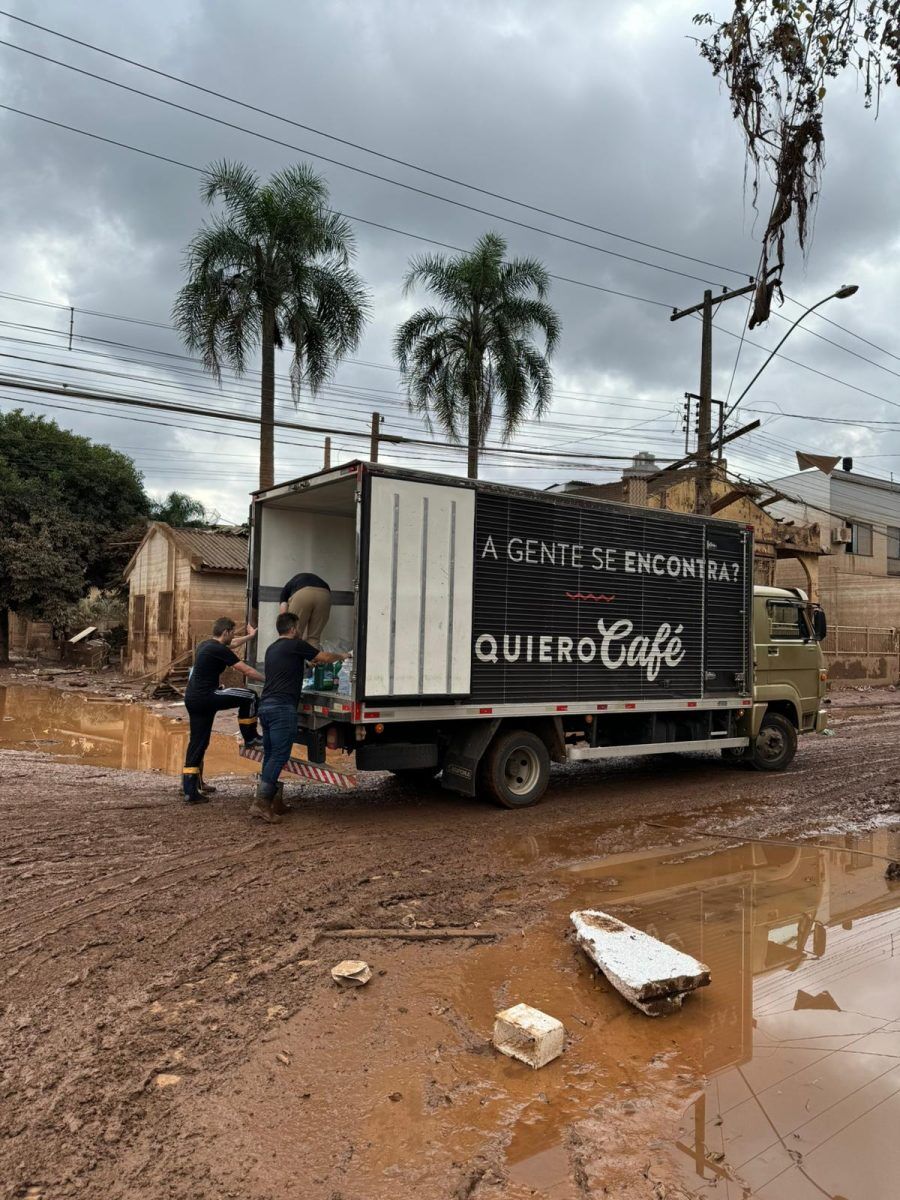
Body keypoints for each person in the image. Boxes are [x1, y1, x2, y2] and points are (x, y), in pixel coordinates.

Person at [250, 611, 346, 824]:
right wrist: (344, 656)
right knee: (279, 756)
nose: (299, 631)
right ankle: (261, 803)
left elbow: (289, 668)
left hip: (265, 707)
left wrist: (308, 665)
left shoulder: (272, 648)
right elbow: (323, 657)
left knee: (270, 754)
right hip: (282, 709)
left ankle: (274, 801)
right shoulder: (296, 644)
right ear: (293, 629)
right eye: (298, 628)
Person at [182, 617, 264, 806]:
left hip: (193, 698)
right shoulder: (218, 649)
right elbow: (247, 671)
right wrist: (269, 681)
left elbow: (233, 644)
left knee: (198, 742)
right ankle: (251, 737)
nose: (234, 636)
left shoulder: (206, 645)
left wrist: (250, 636)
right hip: (207, 696)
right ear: (225, 632)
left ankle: (190, 788)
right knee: (250, 695)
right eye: (233, 632)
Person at [278, 571, 332, 647]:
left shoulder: (286, 590)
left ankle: (291, 658)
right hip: (325, 595)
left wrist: (284, 632)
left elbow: (283, 615)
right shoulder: (296, 581)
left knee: (292, 634)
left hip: (303, 593)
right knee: (314, 638)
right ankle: (313, 658)